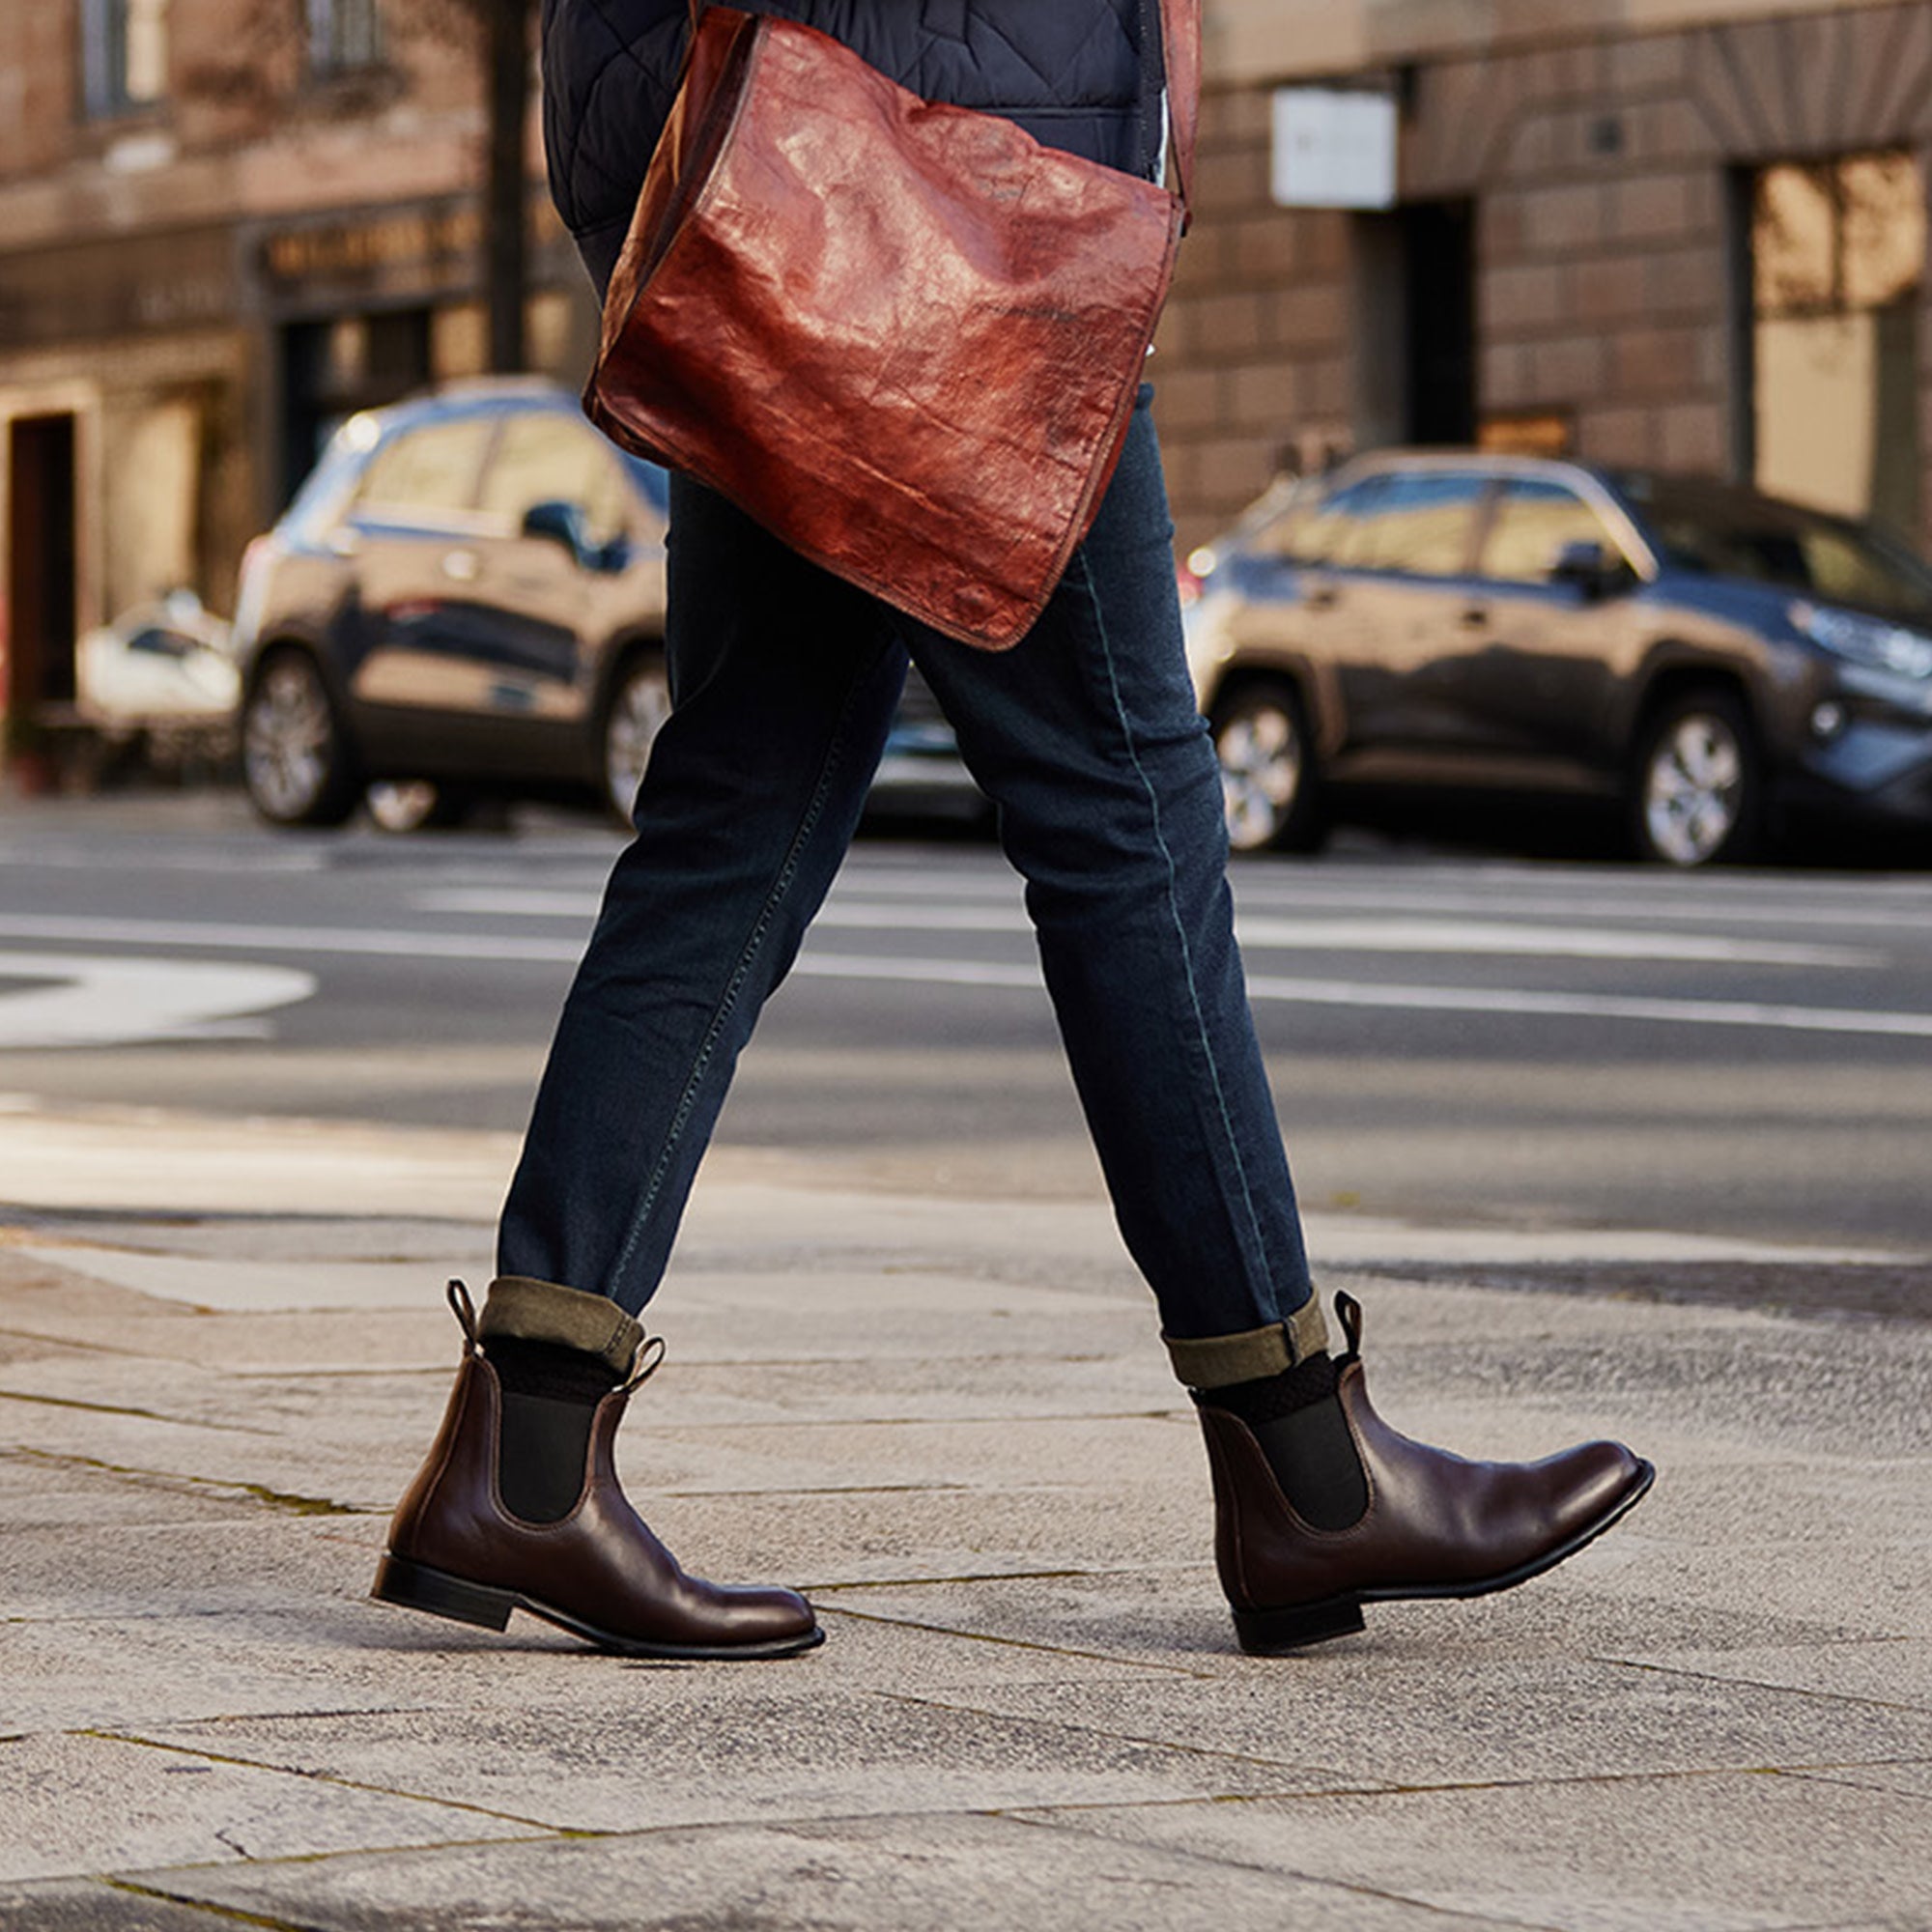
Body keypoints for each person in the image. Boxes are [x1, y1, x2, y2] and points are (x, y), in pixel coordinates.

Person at [373, 0, 1652, 1661]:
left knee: (740, 814)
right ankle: (1305, 1476)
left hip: (796, 140)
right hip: (947, 158)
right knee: (1122, 799)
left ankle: (529, 1452)